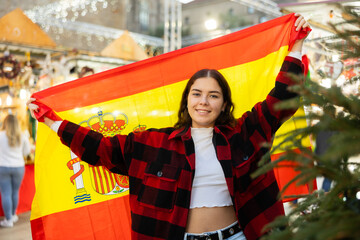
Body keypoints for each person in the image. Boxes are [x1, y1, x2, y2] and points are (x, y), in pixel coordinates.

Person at [27, 14, 310, 240]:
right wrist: (53, 121)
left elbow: (282, 100)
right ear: (186, 101)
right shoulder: (153, 144)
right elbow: (100, 148)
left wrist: (296, 46)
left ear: (224, 105)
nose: (204, 102)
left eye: (214, 95)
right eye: (196, 94)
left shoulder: (245, 133)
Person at [0, 114, 31, 228]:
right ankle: (13, 215)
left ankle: (8, 220)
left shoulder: (0, 135)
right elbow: (26, 152)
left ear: (5, 123)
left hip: (3, 167)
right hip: (18, 167)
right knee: (15, 192)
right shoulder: (22, 136)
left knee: (6, 193)